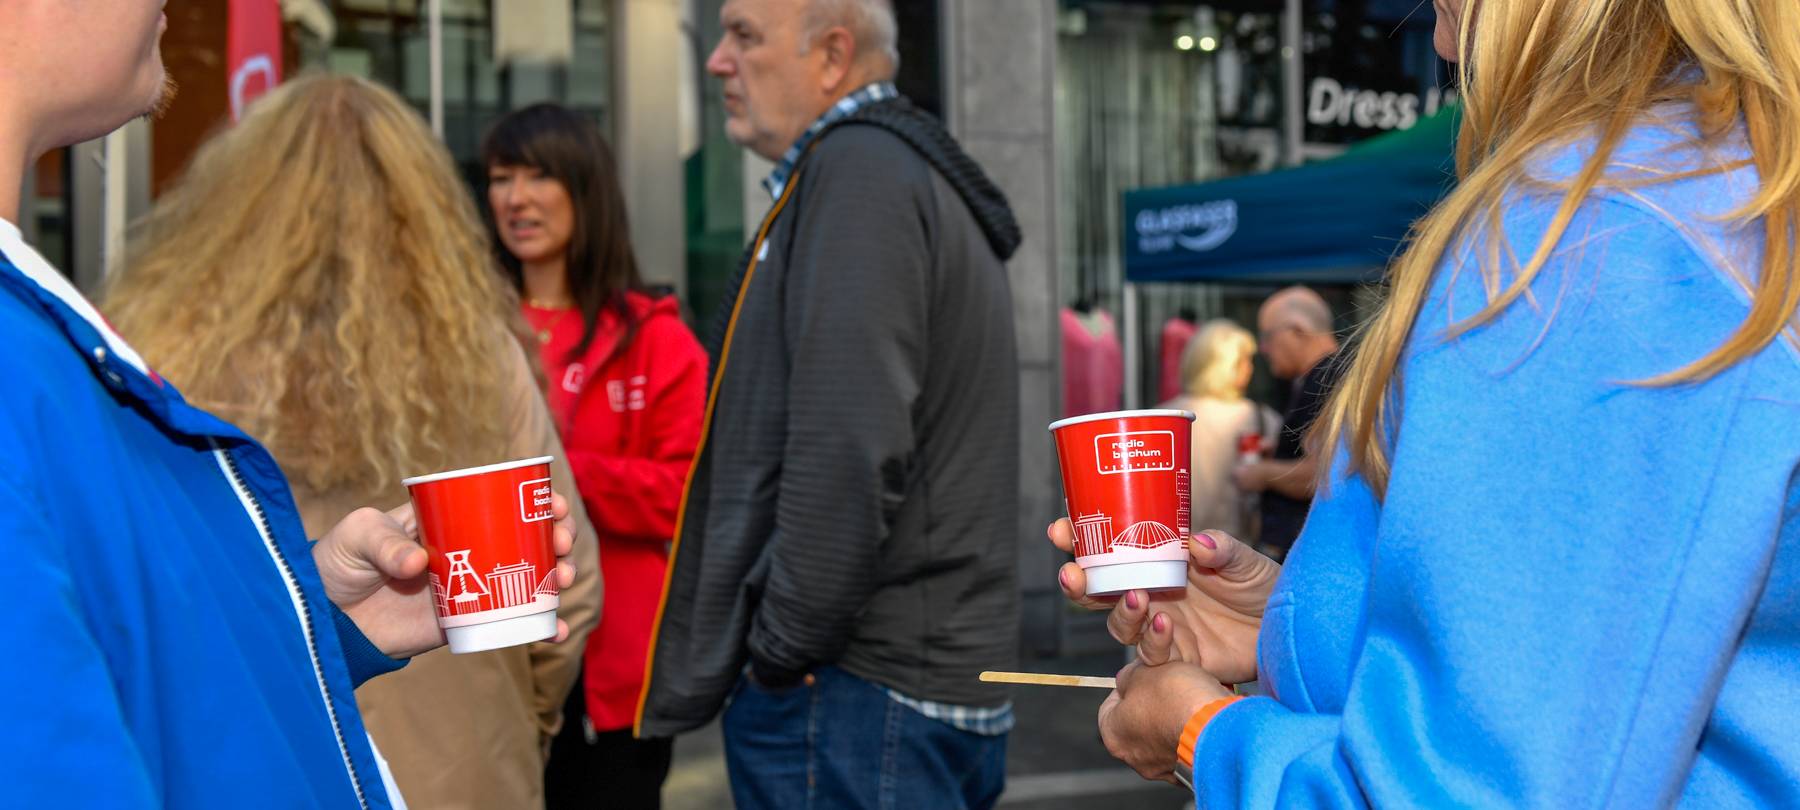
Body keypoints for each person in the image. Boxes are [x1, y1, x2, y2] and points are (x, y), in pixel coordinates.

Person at [1053, 0, 1800, 805]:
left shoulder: (1581, 247)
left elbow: (1473, 788)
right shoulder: (1724, 195)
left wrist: (1203, 734)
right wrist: (1304, 623)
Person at [0, 7, 578, 806]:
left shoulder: (132, 345)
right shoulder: (53, 363)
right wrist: (521, 721)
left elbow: (136, 657)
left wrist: (322, 621)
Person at [636, 0, 1023, 807]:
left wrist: (781, 649)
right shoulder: (896, 172)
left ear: (833, 56)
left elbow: (849, 444)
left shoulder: (859, 172)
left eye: (744, 34)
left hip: (854, 692)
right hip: (895, 689)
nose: (718, 59)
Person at [481, 103, 707, 809]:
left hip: (619, 672)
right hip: (493, 657)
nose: (515, 198)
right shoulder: (468, 329)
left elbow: (689, 494)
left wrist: (552, 471)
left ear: (587, 189)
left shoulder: (655, 338)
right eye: (500, 178)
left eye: (539, 176)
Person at [1231, 286, 1340, 560]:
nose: (1263, 349)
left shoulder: (1329, 379)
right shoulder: (1319, 377)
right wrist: (1280, 454)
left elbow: (1324, 471)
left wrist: (1264, 473)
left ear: (1297, 329)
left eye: (1267, 335)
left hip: (1310, 552)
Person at [1162, 320, 1280, 544]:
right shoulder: (1259, 418)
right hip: (1236, 549)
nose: (1250, 368)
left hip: (1171, 546)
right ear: (1224, 365)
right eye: (1243, 361)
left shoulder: (1161, 419)